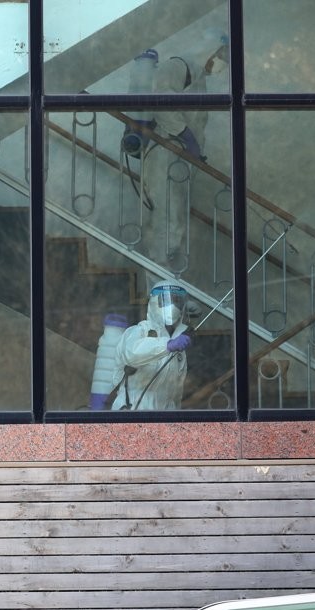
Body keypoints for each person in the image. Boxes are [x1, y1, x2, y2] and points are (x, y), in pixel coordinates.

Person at [136, 32, 229, 285]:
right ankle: (159, 285)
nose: (222, 63)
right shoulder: (178, 66)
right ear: (210, 50)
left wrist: (195, 148)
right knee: (166, 217)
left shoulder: (198, 78)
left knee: (176, 219)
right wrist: (186, 136)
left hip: (179, 159)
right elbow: (161, 101)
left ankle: (170, 283)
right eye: (221, 56)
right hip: (166, 152)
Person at [110, 281, 193, 410]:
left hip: (166, 410)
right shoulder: (138, 331)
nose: (172, 306)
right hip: (134, 407)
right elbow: (131, 354)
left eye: (177, 301)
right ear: (154, 302)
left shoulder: (179, 347)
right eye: (166, 300)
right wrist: (167, 345)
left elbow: (177, 391)